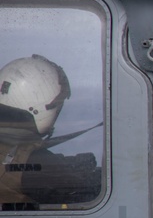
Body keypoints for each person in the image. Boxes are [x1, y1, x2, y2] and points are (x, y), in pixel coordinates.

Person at [0, 54, 101, 208]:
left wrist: (69, 163)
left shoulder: (14, 149)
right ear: (38, 109)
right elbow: (87, 193)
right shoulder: (36, 162)